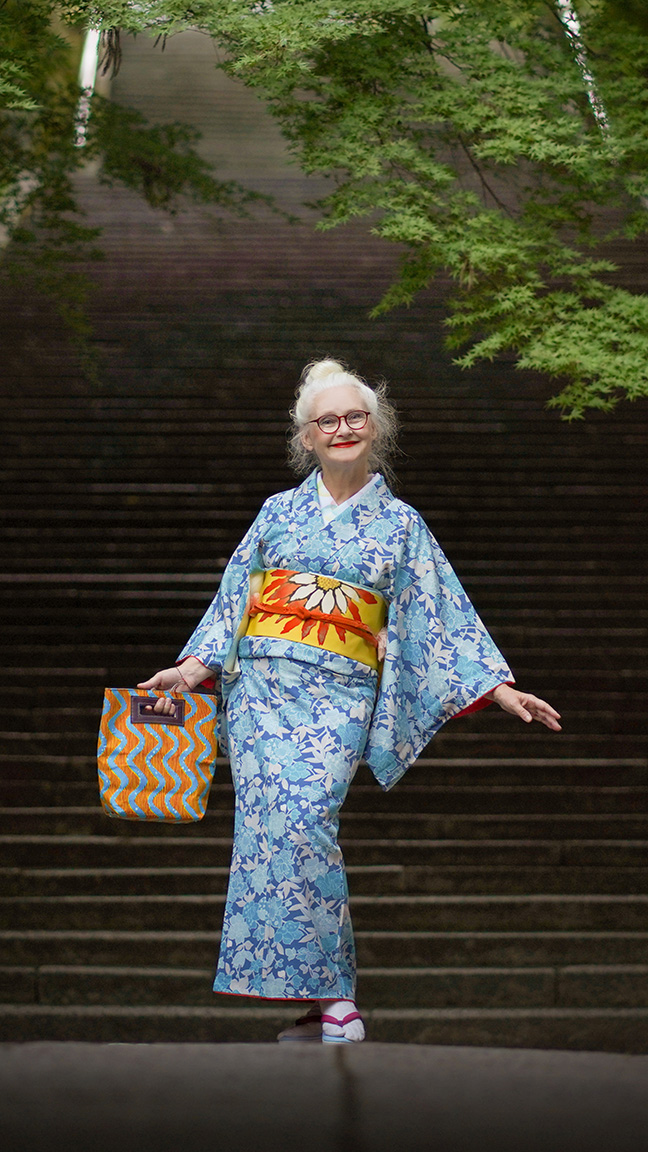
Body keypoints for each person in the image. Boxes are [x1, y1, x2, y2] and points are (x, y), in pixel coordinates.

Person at [138, 358, 561, 1044]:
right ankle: (321, 999)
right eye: (327, 420)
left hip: (338, 693)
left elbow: (439, 614)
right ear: (306, 436)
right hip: (262, 694)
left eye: (355, 417)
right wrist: (191, 670)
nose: (342, 429)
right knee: (268, 836)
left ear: (376, 427)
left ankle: (336, 992)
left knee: (308, 824)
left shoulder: (401, 525)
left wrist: (498, 688)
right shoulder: (278, 513)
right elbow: (234, 601)